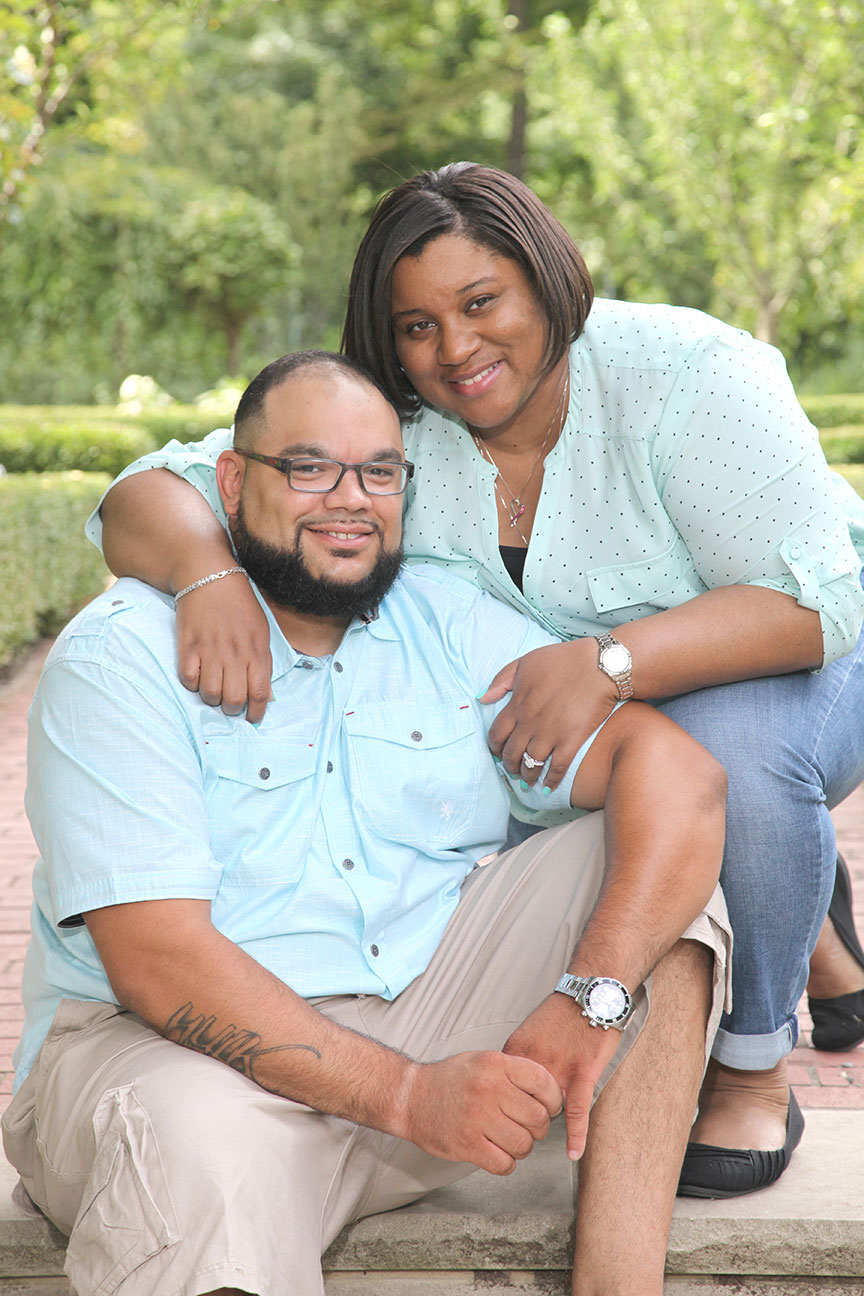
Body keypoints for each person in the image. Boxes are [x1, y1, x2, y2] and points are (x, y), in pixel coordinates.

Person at [93, 164, 864, 1197]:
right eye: (415, 325)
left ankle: (754, 1063)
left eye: (480, 303)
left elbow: (819, 605)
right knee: (496, 774)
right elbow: (140, 495)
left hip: (784, 661)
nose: (454, 350)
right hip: (582, 720)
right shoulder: (397, 425)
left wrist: (611, 665)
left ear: (545, 279)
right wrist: (206, 574)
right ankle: (795, 897)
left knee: (731, 757)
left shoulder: (688, 373)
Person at [2, 351, 730, 1296]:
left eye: (378, 472)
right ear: (231, 480)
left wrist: (584, 994)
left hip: (420, 1006)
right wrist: (408, 1096)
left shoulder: (446, 622)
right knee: (193, 1152)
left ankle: (617, 1286)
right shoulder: (124, 656)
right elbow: (156, 961)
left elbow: (680, 777)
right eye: (308, 467)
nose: (349, 499)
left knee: (661, 881)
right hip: (175, 1056)